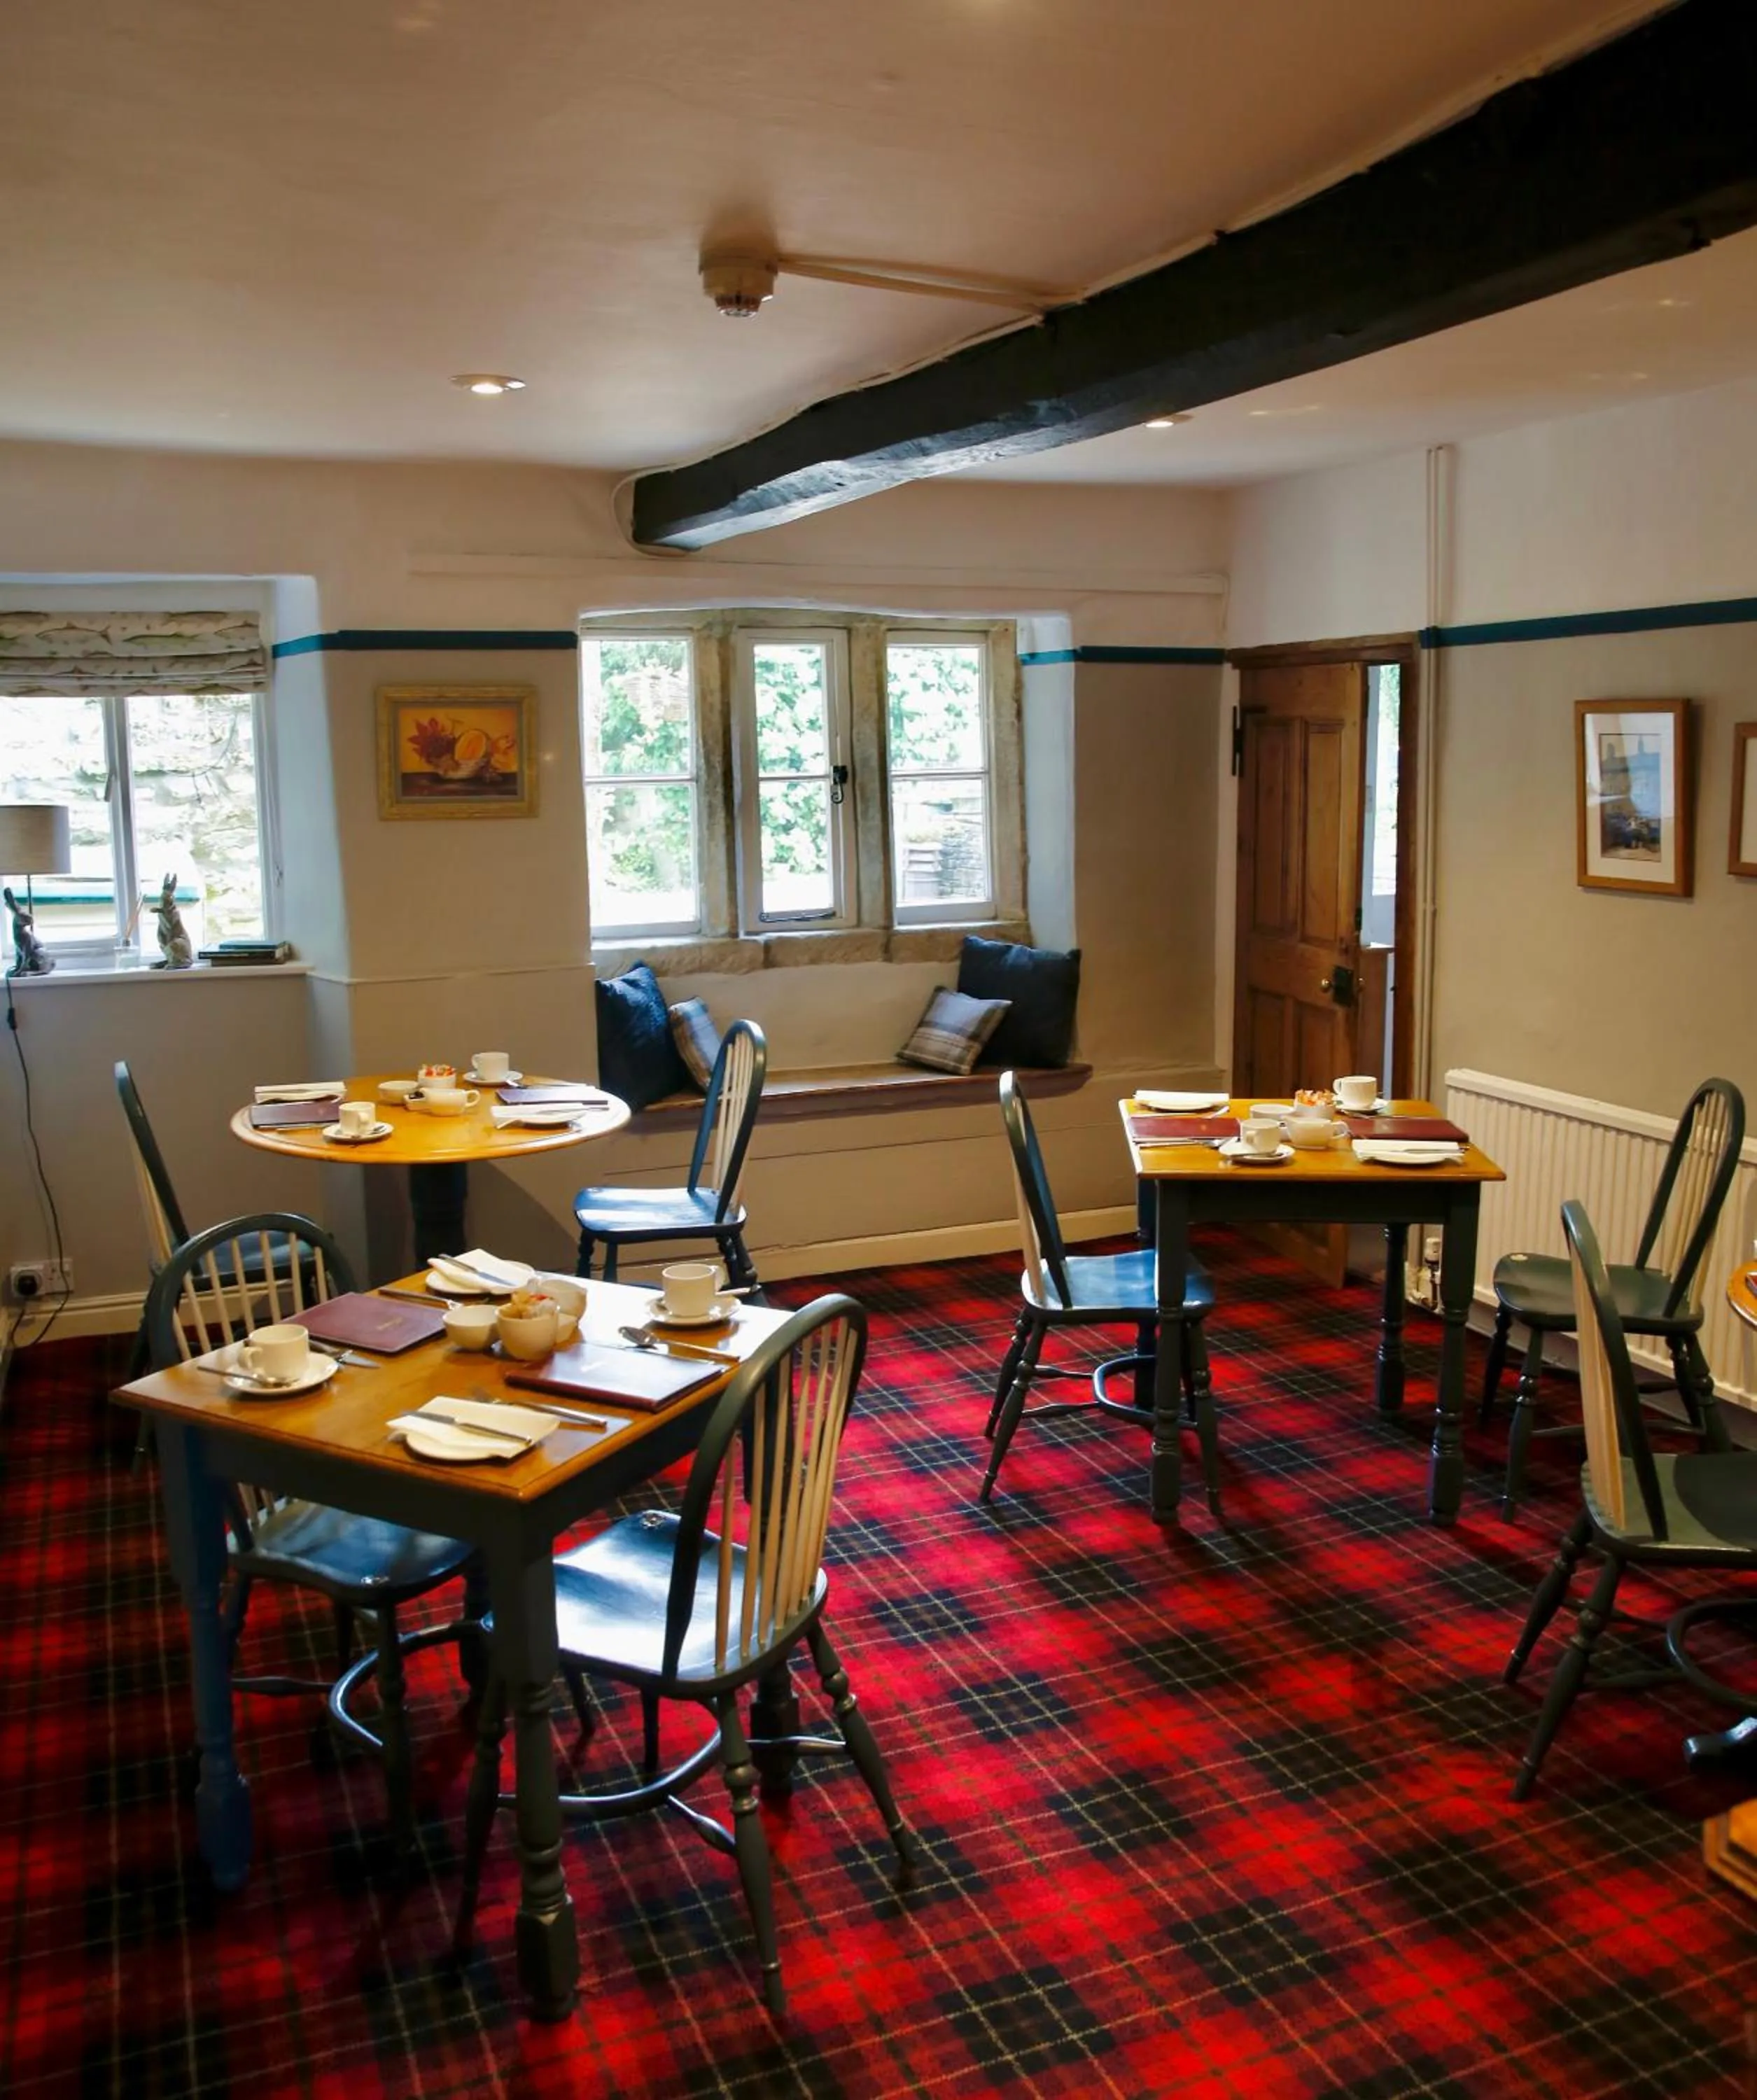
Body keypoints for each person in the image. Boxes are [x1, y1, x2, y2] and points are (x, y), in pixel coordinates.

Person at [4, 885, 53, 975]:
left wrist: (21, 971)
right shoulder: (19, 935)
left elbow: (27, 954)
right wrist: (18, 968)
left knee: (38, 952)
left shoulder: (26, 936)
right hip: (30, 960)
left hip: (39, 958)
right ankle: (21, 968)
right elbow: (19, 952)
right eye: (23, 918)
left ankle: (36, 971)